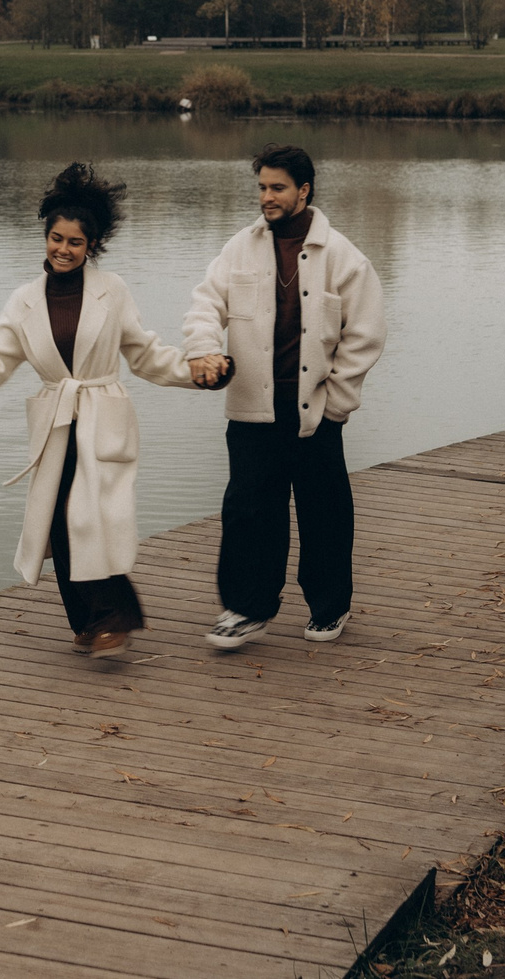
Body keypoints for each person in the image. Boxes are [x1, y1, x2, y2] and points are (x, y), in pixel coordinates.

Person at [0, 163, 198, 657]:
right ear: (46, 237)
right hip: (55, 420)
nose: (64, 249)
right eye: (57, 238)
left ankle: (115, 618)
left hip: (101, 415)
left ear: (91, 246)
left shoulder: (112, 290)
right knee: (59, 521)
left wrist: (196, 371)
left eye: (75, 242)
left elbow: (144, 353)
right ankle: (88, 623)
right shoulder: (24, 301)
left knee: (88, 517)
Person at [183, 144, 386, 651]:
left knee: (324, 512)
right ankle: (246, 609)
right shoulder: (240, 247)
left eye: (278, 188)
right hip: (252, 405)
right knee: (248, 510)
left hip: (316, 408)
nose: (266, 197)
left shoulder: (342, 256)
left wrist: (337, 403)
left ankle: (329, 606)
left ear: (304, 190)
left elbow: (365, 333)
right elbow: (206, 304)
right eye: (262, 187)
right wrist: (204, 348)